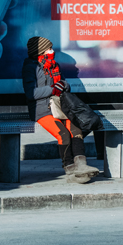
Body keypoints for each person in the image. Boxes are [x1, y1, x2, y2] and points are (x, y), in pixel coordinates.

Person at [21, 37, 99, 183]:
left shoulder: (55, 65)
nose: (52, 51)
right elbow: (31, 93)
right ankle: (70, 169)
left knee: (76, 131)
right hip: (42, 110)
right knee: (63, 134)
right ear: (40, 51)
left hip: (61, 107)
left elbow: (66, 85)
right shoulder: (30, 67)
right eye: (49, 49)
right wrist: (52, 89)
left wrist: (63, 85)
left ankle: (81, 166)